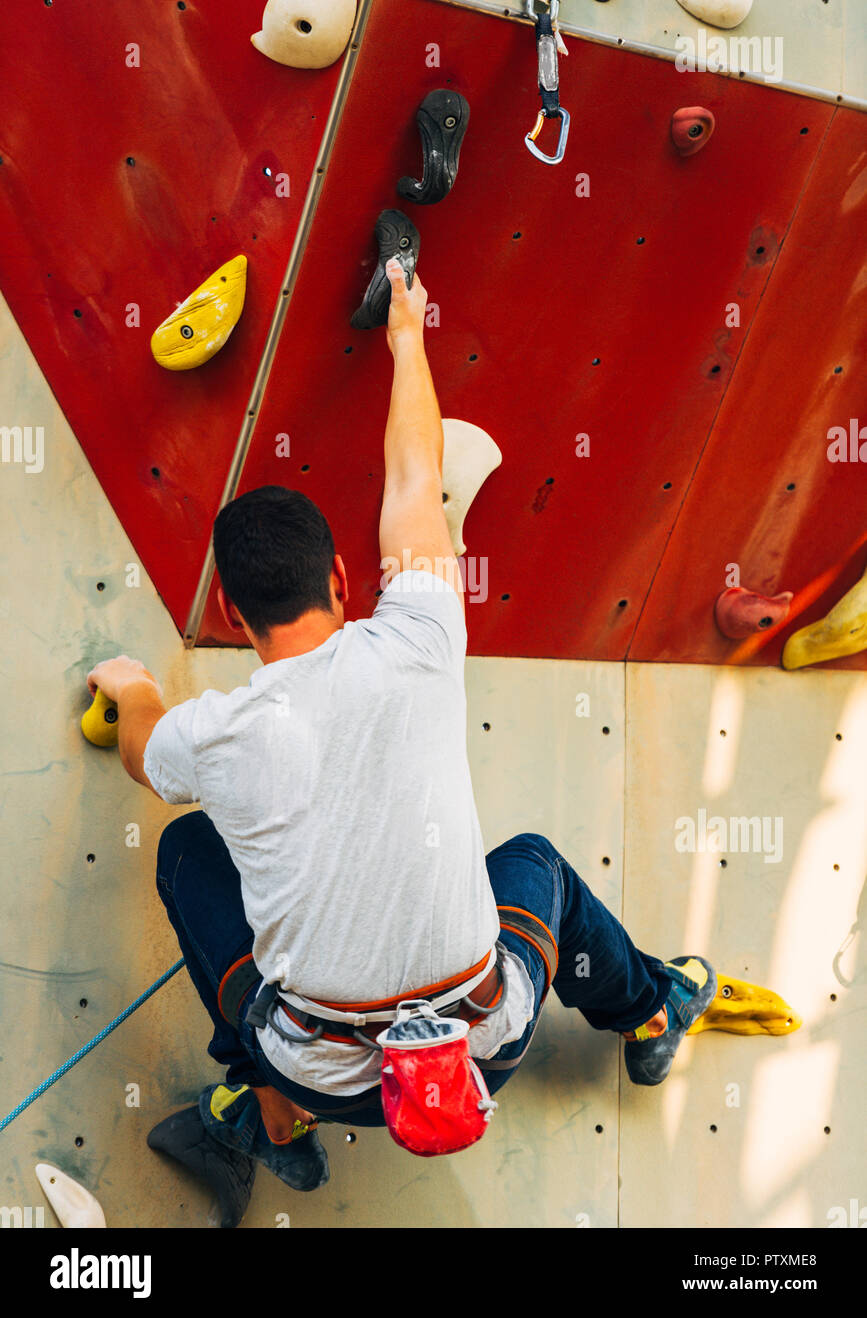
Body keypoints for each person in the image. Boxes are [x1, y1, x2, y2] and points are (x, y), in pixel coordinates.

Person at [87, 261, 716, 1226]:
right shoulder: (420, 637)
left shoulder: (212, 737)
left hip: (324, 1072)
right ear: (343, 576)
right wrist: (408, 334)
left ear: (228, 610)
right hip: (480, 1050)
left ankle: (275, 1123)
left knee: (184, 852)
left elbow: (144, 751)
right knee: (535, 864)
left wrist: (128, 684)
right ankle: (645, 1010)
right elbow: (416, 474)